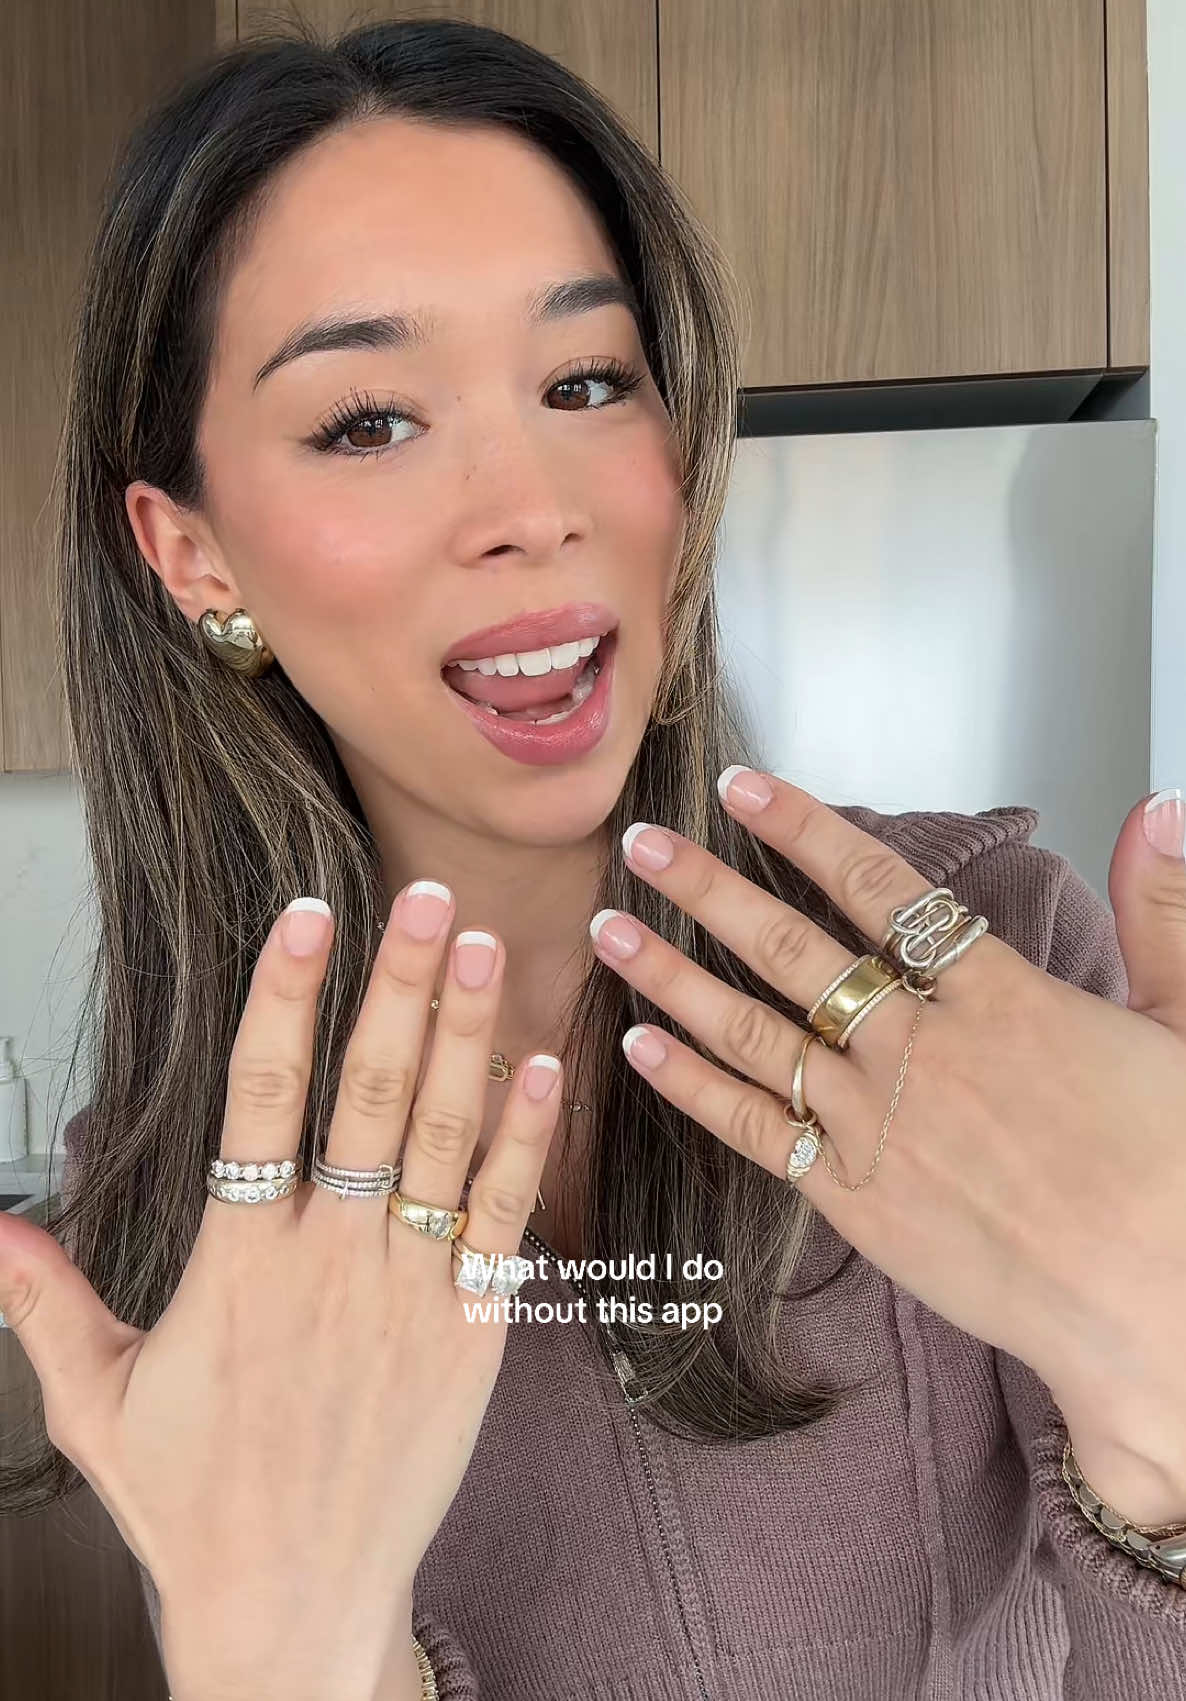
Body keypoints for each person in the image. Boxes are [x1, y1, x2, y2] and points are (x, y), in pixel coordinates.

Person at [2, 15, 1185, 1701]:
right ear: (194, 557)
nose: (529, 505)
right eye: (367, 421)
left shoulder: (987, 957)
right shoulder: (208, 1198)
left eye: (583, 383)